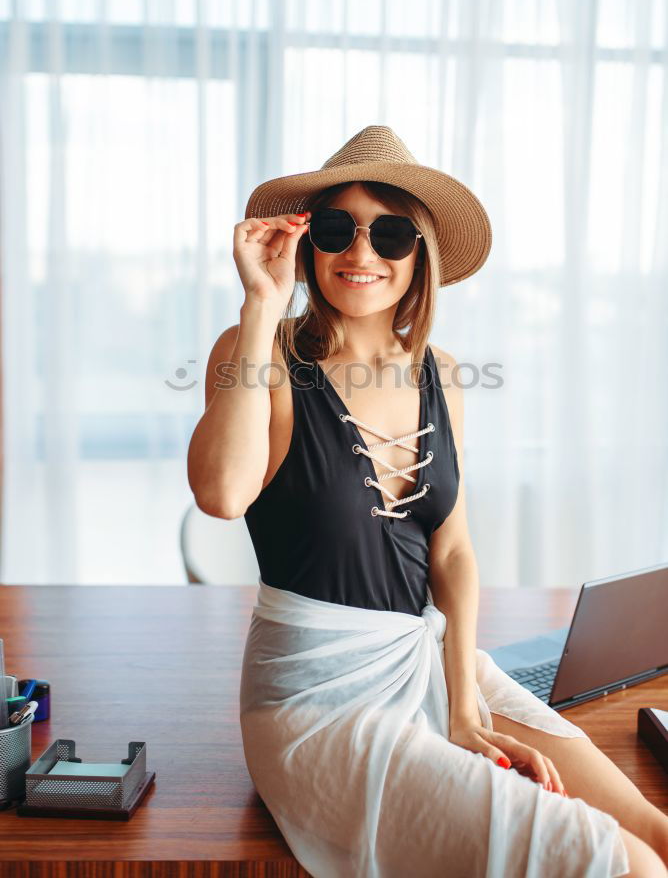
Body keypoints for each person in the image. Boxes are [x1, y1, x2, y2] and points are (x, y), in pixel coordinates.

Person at [188, 126, 668, 878]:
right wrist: (259, 304)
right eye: (338, 229)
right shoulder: (260, 352)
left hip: (431, 659)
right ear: (308, 243)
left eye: (390, 233)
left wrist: (464, 707)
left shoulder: (440, 370)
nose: (361, 254)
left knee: (653, 831)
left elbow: (451, 550)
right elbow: (220, 495)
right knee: (631, 867)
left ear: (421, 255)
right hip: (316, 699)